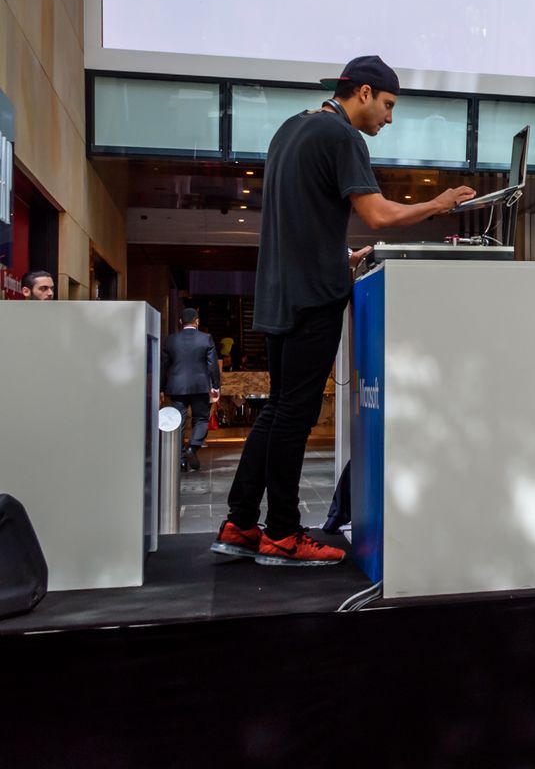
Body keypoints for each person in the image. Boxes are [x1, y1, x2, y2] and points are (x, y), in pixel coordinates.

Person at [214, 56, 474, 567]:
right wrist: (437, 205)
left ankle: (240, 522)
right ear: (362, 92)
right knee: (296, 414)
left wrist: (342, 256)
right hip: (313, 298)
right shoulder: (342, 137)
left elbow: (299, 221)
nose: (389, 118)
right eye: (388, 105)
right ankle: (283, 534)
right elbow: (376, 213)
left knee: (277, 410)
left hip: (278, 293)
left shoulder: (290, 131)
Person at [161, 307, 220, 472]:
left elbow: (164, 365)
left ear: (180, 322)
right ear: (197, 321)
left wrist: (161, 388)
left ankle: (181, 461)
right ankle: (192, 448)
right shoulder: (206, 338)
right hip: (200, 386)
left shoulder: (170, 340)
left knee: (178, 422)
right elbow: (212, 365)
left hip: (176, 387)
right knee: (201, 419)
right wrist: (215, 386)